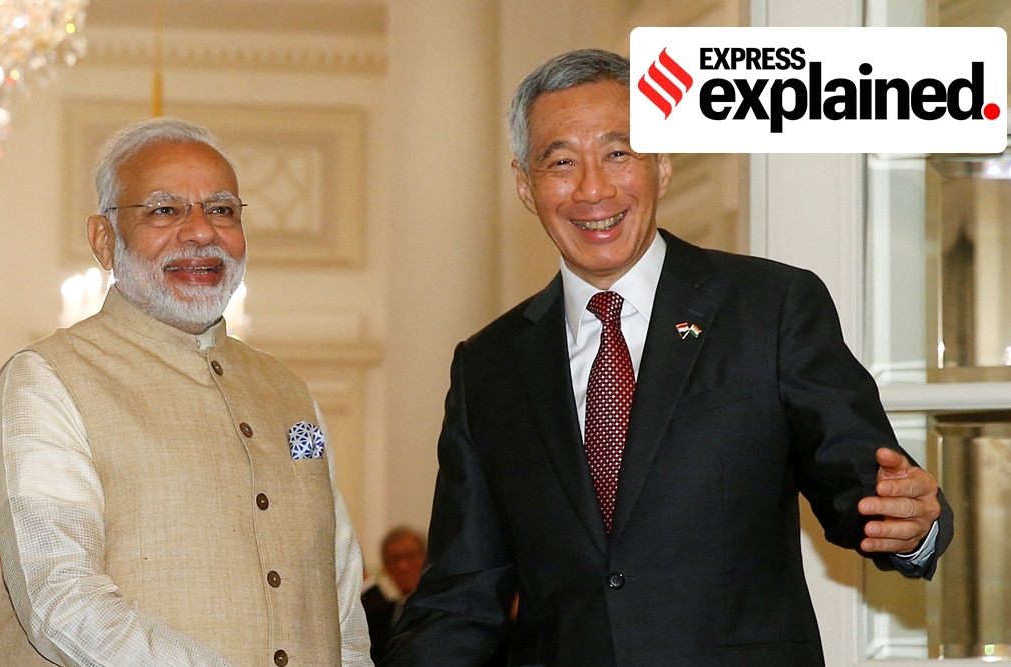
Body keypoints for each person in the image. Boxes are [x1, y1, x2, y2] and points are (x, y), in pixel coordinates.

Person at [383, 49, 953, 666]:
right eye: (562, 162)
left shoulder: (770, 308)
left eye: (619, 153)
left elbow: (864, 485)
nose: (593, 188)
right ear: (525, 184)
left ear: (662, 163)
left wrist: (913, 525)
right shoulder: (488, 366)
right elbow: (461, 597)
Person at [0, 117, 373, 666]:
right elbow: (60, 598)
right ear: (104, 240)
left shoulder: (290, 396)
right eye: (164, 210)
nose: (200, 231)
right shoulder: (47, 379)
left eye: (222, 210)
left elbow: (340, 600)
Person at [362, 526, 427, 663]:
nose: (402, 566)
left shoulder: (443, 608)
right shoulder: (380, 617)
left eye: (409, 556)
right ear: (385, 567)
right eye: (394, 559)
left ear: (426, 558)